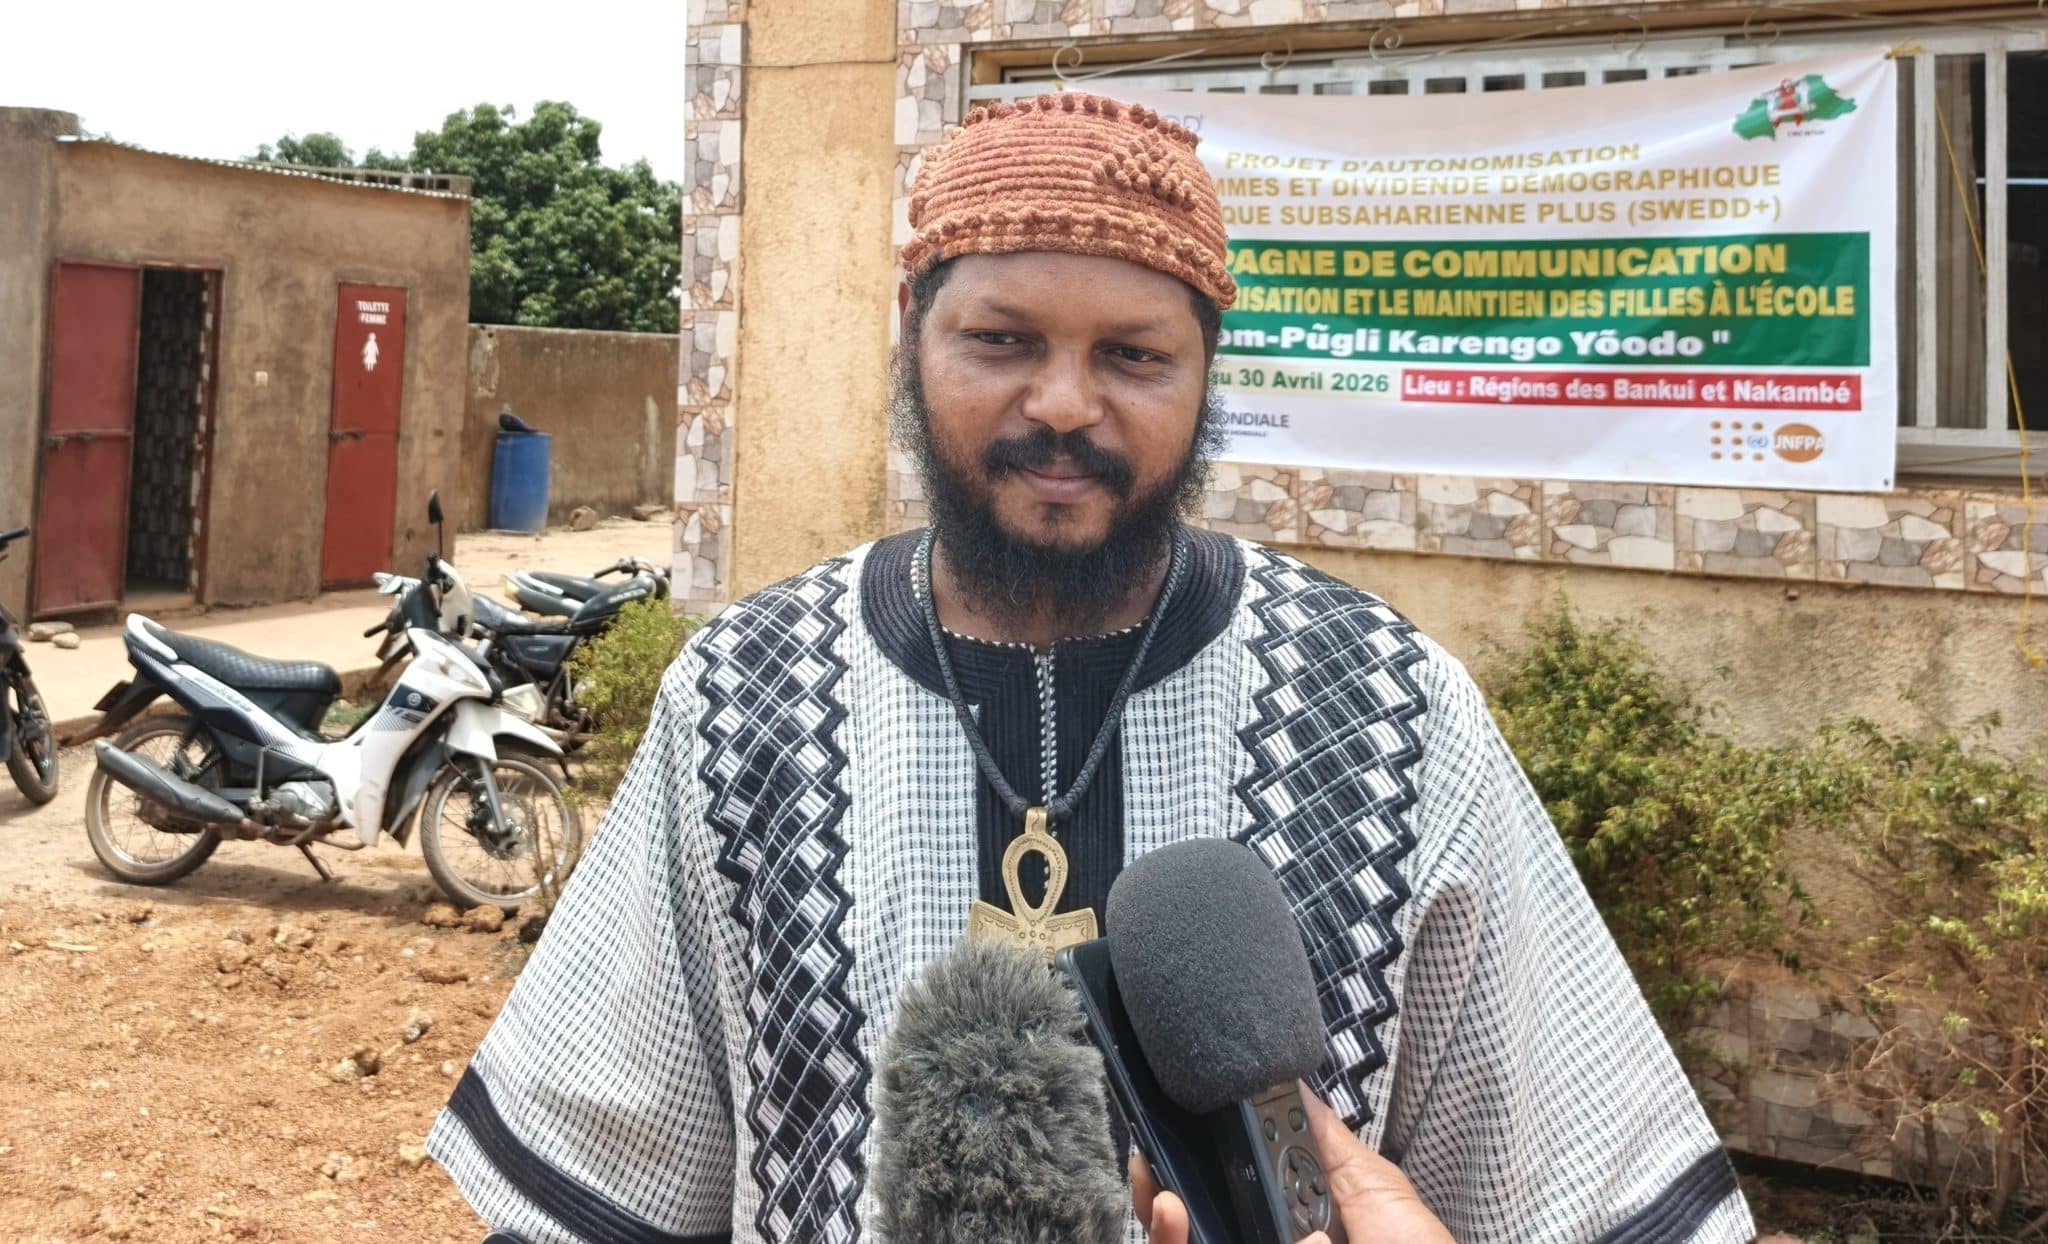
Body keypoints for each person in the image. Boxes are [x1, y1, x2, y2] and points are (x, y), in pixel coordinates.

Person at [428, 93, 1754, 1244]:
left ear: (1206, 371)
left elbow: (1580, 1189)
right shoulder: (739, 700)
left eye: (1133, 355)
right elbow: (601, 1189)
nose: (1065, 403)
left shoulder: (1396, 712)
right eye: (1003, 341)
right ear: (912, 332)